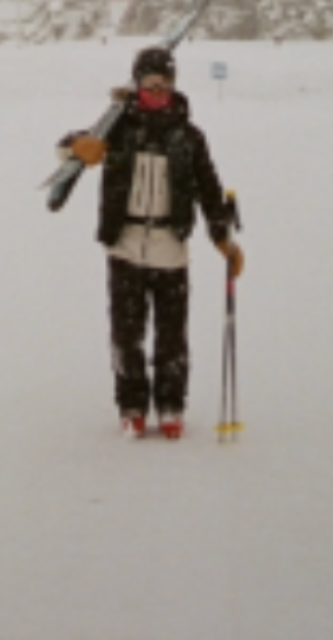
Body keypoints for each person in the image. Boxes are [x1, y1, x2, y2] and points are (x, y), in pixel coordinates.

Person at [61, 45, 244, 440]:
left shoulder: (189, 137)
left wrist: (222, 238)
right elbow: (67, 147)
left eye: (164, 85)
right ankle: (131, 406)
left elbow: (210, 193)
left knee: (171, 337)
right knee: (126, 336)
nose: (157, 92)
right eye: (149, 85)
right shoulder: (117, 128)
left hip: (170, 249)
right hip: (124, 246)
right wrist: (77, 146)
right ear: (137, 85)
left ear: (173, 86)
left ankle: (171, 405)